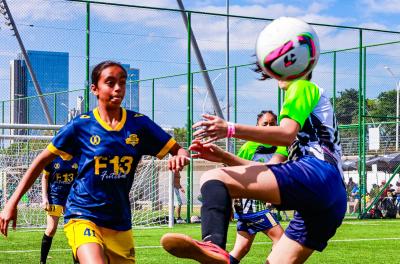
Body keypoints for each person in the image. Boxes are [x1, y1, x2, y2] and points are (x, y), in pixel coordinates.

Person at [0, 61, 190, 264]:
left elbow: (178, 149)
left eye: (122, 82)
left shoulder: (139, 125)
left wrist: (180, 156)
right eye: (110, 82)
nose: (118, 88)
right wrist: (12, 202)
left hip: (119, 221)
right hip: (83, 214)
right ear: (95, 89)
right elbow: (40, 161)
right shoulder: (81, 126)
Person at [161, 69, 346, 262]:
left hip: (318, 175)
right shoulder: (298, 138)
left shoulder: (301, 86)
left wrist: (230, 129)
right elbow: (268, 171)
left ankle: (213, 245)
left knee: (213, 177)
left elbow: (286, 133)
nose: (277, 73)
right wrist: (224, 156)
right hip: (331, 198)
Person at [211, 110, 288, 264]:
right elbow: (234, 173)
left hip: (256, 203)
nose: (268, 126)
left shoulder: (282, 145)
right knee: (282, 241)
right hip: (252, 203)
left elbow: (274, 166)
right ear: (257, 126)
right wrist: (230, 201)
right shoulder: (249, 147)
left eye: (272, 123)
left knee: (242, 248)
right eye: (264, 124)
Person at [40, 155, 79, 264]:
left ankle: (77, 261)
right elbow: (45, 177)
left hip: (71, 197)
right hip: (55, 196)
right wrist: (44, 197)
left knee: (75, 230)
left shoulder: (77, 157)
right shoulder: (52, 157)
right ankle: (42, 261)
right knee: (51, 228)